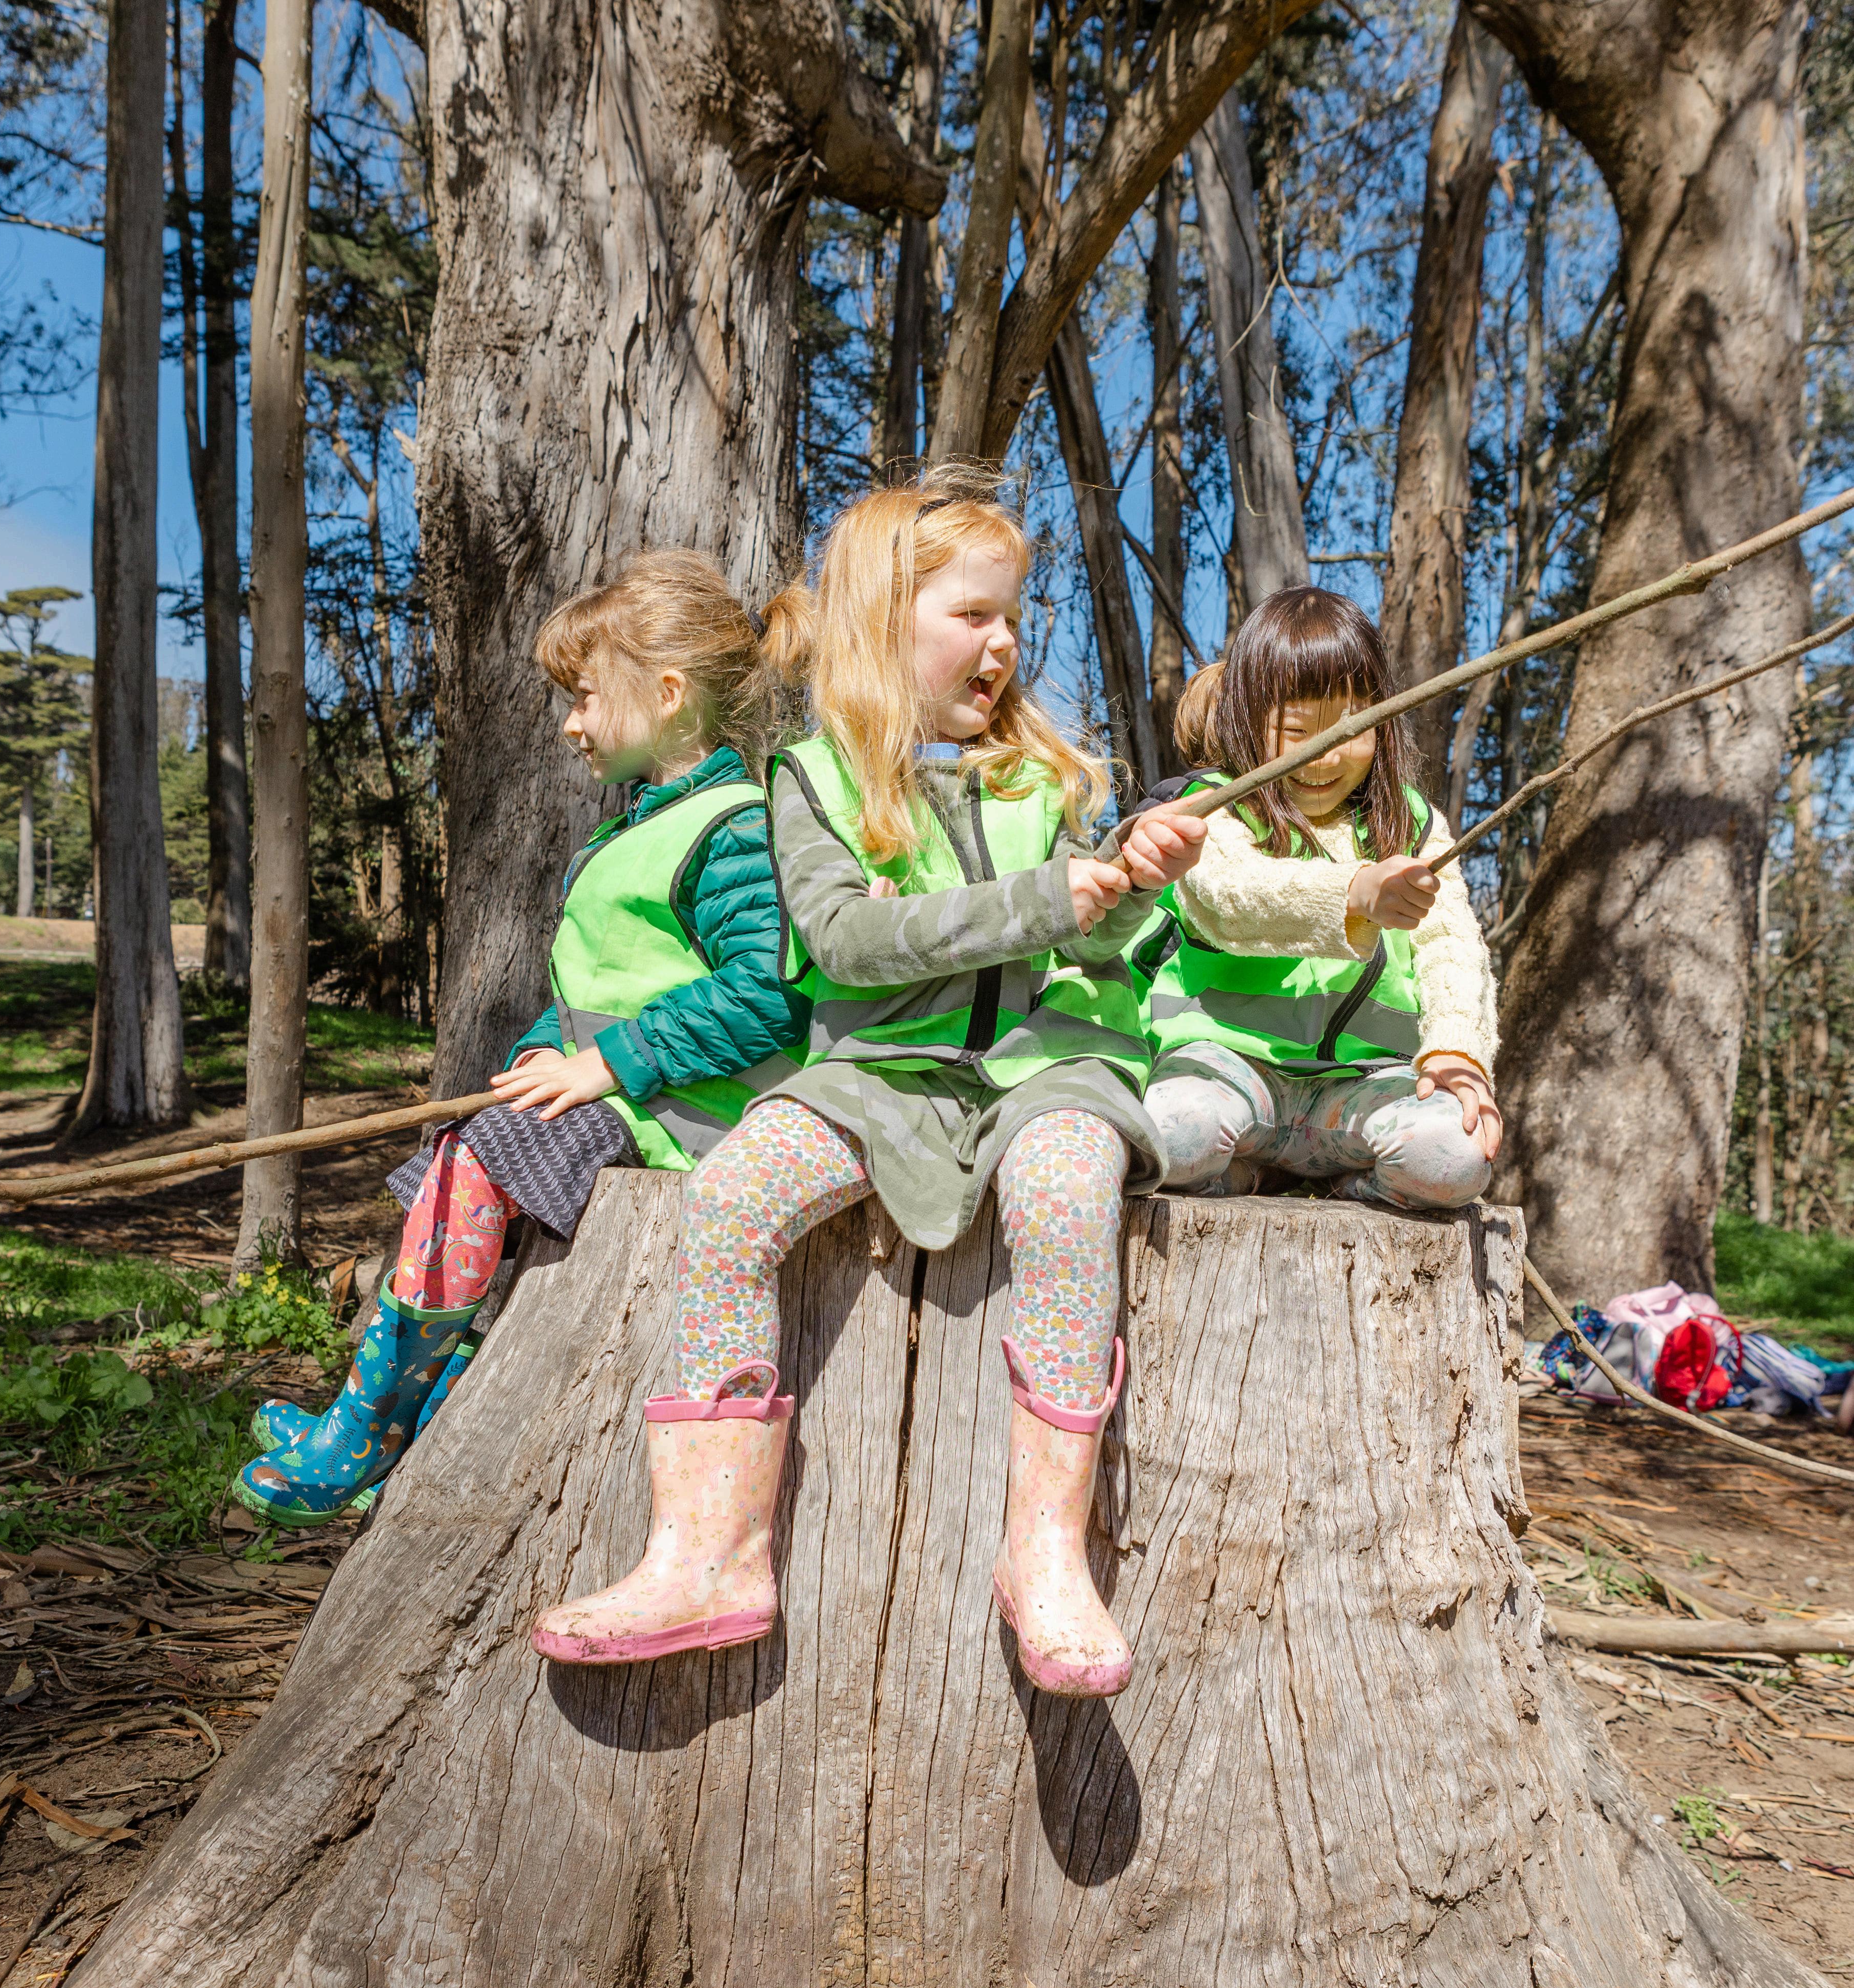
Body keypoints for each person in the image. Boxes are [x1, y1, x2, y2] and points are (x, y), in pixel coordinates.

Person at [529, 479, 1204, 1696]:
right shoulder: (813, 779)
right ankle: (708, 1551)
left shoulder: (1041, 781)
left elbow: (1092, 939)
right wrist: (1040, 902)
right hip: (878, 1077)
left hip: (1045, 1069)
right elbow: (845, 942)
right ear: (883, 624)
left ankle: (1047, 1551)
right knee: (730, 1195)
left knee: (1067, 1187)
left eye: (1012, 617)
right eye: (973, 614)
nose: (1004, 642)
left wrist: (1132, 881)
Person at [233, 552, 812, 1529]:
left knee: (478, 1167)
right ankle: (407, 1418)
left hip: (687, 1112)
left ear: (668, 695)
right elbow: (586, 990)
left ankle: (364, 1432)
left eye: (585, 697)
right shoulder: (636, 830)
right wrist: (535, 1062)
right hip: (629, 1092)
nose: (570, 724)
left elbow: (769, 994)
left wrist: (608, 1064)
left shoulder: (734, 828)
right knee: (458, 1156)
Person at [1135, 586, 1500, 1211]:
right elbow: (1229, 898)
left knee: (1456, 1155)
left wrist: (1455, 1051)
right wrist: (1354, 894)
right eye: (1296, 731)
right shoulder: (1209, 806)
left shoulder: (1413, 825)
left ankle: (1339, 1186)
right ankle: (1256, 1177)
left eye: (1350, 728)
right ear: (1245, 720)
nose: (1324, 756)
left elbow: (1451, 944)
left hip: (1364, 1084)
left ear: (1381, 719)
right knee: (1168, 1135)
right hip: (1224, 1068)